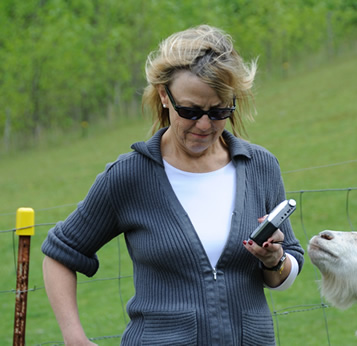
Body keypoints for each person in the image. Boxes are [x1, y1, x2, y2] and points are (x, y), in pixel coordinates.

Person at [41, 24, 304, 345]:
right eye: (190, 111)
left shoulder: (260, 166)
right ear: (165, 96)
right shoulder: (129, 175)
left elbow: (286, 270)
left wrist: (274, 260)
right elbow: (59, 255)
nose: (205, 125)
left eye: (219, 110)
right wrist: (74, 337)